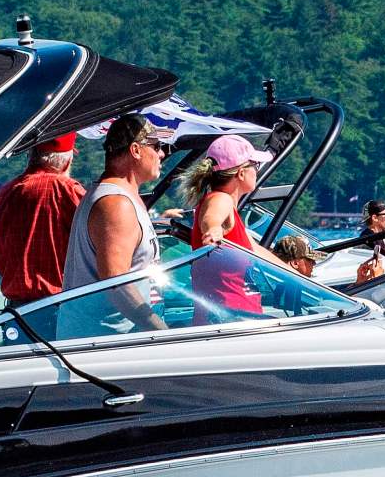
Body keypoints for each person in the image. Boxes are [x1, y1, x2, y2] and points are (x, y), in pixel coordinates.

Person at [63, 113, 174, 332]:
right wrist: (160, 330)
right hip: (105, 344)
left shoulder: (122, 197)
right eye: (157, 146)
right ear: (136, 150)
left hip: (117, 339)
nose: (162, 154)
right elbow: (116, 280)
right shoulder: (116, 204)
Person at [187, 134, 299, 320]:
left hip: (236, 319)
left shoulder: (227, 208)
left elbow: (256, 250)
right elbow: (211, 219)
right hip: (229, 322)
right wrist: (213, 230)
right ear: (241, 173)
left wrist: (297, 278)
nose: (257, 170)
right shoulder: (220, 199)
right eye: (255, 165)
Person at [0, 134, 86, 305]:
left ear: (32, 156)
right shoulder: (68, 190)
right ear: (66, 162)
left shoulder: (5, 191)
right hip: (58, 304)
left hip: (16, 308)